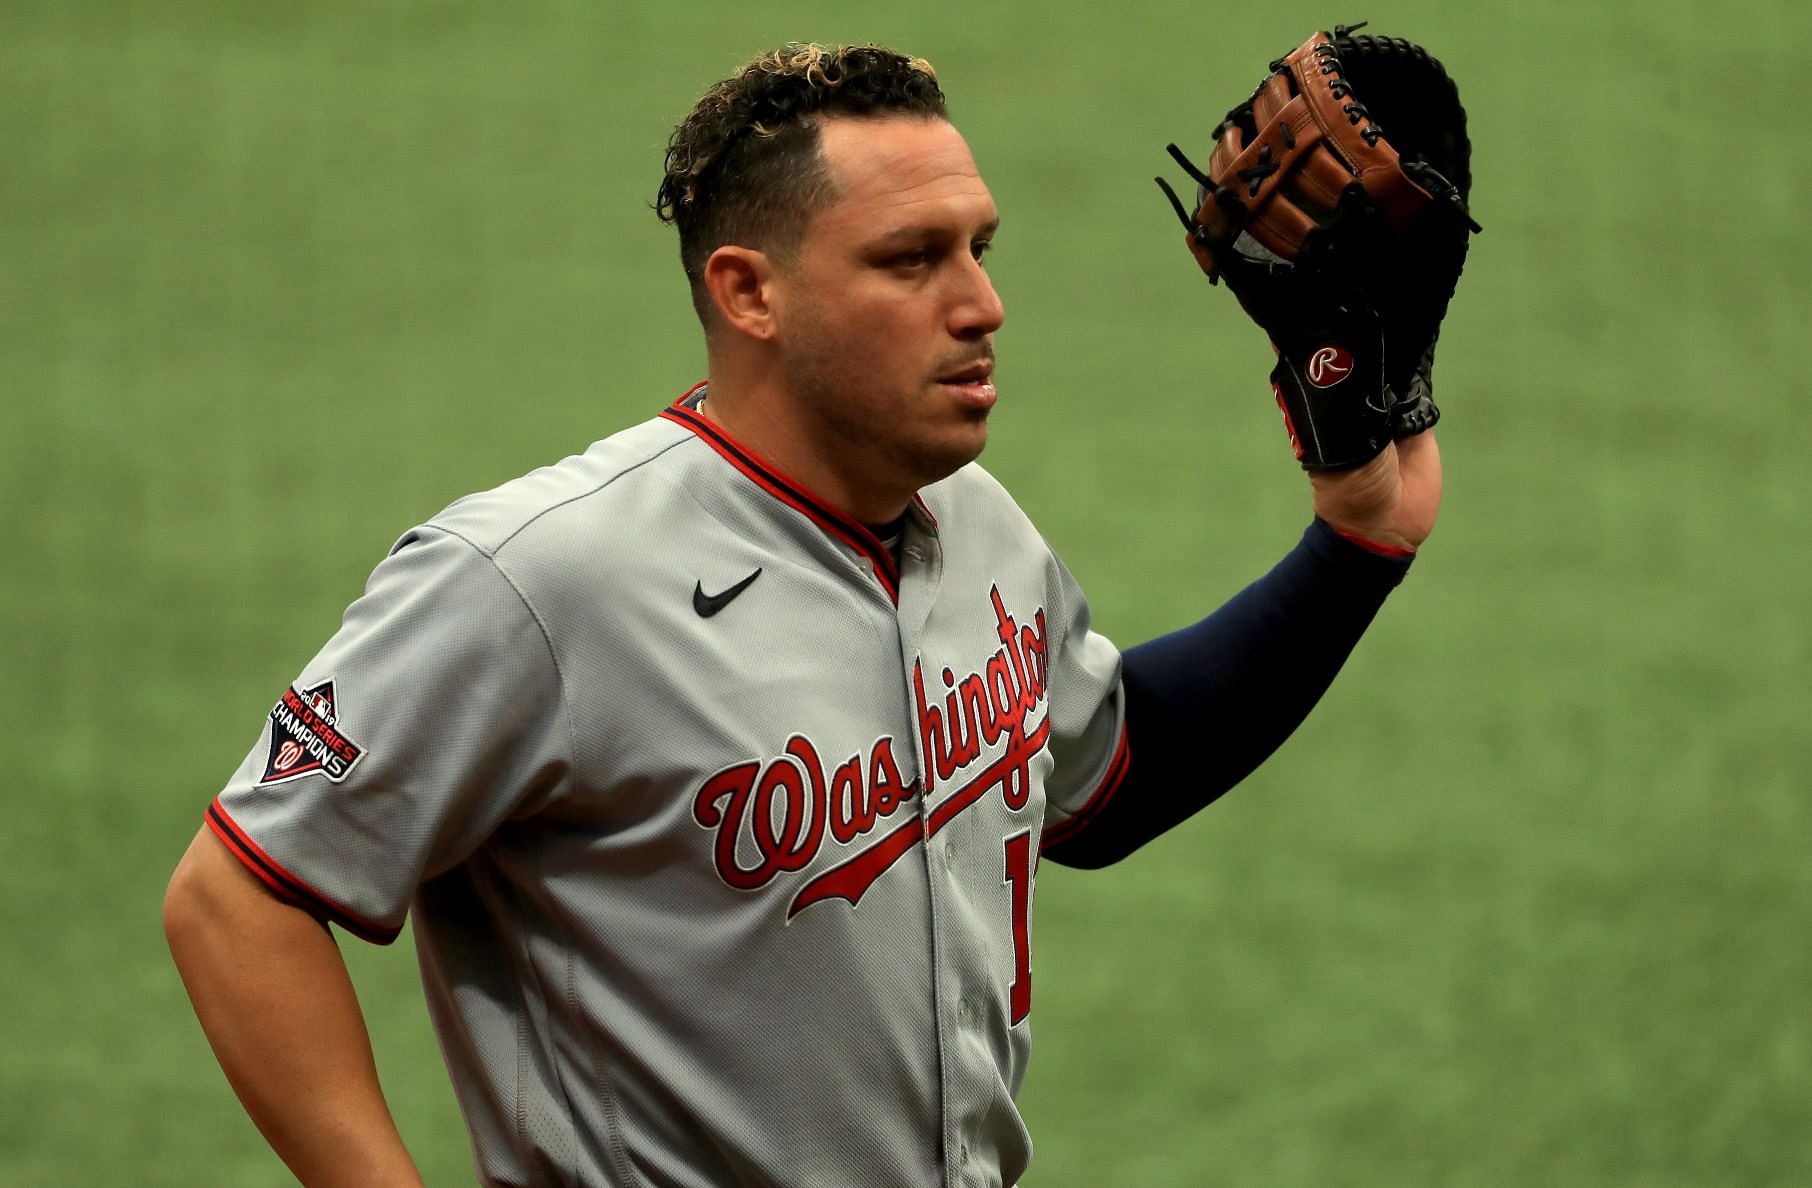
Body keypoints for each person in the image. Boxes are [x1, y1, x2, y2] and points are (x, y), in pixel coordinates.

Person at [163, 42, 1439, 1188]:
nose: (981, 304)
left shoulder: (976, 521)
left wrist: (1358, 540)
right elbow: (238, 895)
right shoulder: (539, 576)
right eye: (910, 259)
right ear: (748, 292)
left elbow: (1104, 781)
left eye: (978, 247)